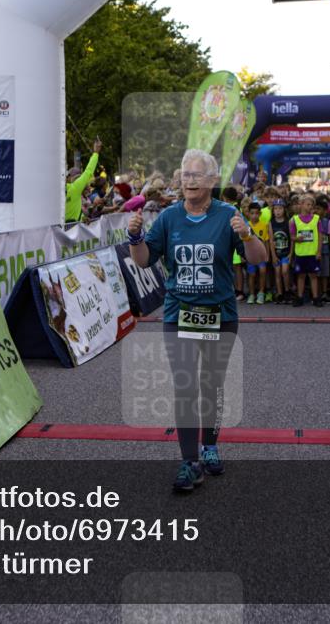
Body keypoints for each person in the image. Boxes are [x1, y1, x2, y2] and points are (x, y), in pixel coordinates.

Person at [128, 148, 265, 491]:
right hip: (179, 314)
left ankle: (211, 446)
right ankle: (190, 462)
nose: (189, 181)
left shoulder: (228, 215)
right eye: (185, 175)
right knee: (186, 385)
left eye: (196, 175)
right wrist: (135, 238)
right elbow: (144, 260)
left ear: (212, 180)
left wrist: (247, 235)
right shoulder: (169, 217)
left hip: (220, 315)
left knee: (212, 384)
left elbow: (258, 258)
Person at [290, 194, 321, 307]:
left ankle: (316, 298)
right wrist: (297, 239)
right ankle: (300, 297)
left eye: (311, 205)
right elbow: (292, 236)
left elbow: (320, 236)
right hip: (301, 253)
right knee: (301, 276)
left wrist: (319, 251)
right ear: (301, 205)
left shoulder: (317, 219)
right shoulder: (294, 220)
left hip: (312, 253)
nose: (310, 207)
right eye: (308, 204)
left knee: (313, 276)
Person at [64, 138, 102, 223]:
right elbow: (88, 172)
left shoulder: (50, 194)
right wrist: (96, 153)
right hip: (74, 228)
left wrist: (82, 218)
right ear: (67, 178)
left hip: (58, 229)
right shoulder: (75, 188)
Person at [268, 199, 293, 304]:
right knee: (277, 273)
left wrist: (291, 253)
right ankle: (280, 293)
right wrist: (273, 256)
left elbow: (292, 239)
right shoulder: (271, 223)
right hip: (276, 253)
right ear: (273, 211)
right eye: (276, 209)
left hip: (286, 253)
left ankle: (287, 291)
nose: (278, 211)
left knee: (285, 271)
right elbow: (271, 240)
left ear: (284, 210)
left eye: (280, 208)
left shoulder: (288, 222)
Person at [245, 203, 270, 304]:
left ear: (260, 214)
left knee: (263, 271)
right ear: (248, 214)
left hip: (261, 255)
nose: (254, 215)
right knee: (252, 274)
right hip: (250, 255)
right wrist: (242, 255)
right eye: (252, 213)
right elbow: (242, 242)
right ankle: (251, 294)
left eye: (256, 213)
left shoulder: (263, 225)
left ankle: (261, 293)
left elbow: (266, 241)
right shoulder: (246, 225)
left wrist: (267, 254)